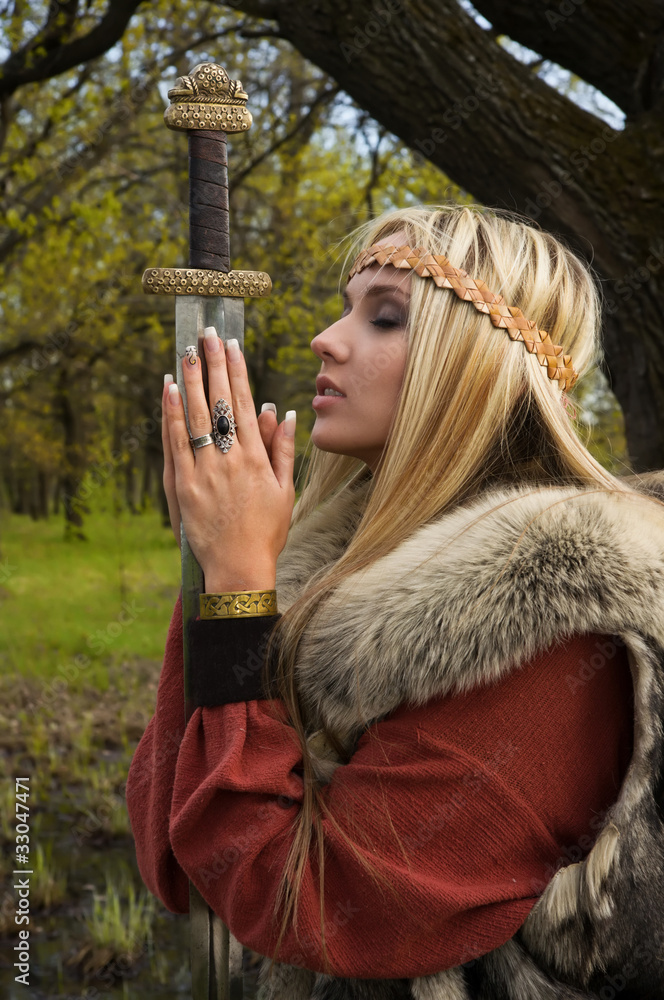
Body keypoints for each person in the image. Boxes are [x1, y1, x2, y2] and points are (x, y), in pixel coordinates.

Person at [126, 204, 664, 999]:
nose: (328, 339)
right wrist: (221, 570)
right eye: (347, 307)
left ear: (475, 361)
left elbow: (317, 910)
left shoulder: (554, 625)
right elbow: (174, 855)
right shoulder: (327, 560)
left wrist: (239, 585)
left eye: (384, 318)